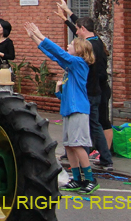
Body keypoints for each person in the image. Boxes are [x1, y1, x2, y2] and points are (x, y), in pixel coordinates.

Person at [23, 22, 98, 195]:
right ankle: (77, 178)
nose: (68, 46)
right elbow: (55, 56)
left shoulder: (79, 63)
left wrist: (41, 35)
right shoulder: (70, 68)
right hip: (69, 110)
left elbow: (59, 53)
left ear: (79, 50)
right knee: (70, 145)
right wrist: (35, 39)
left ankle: (90, 178)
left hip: (79, 110)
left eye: (71, 45)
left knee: (78, 145)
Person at [55, 0, 114, 171]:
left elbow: (80, 45)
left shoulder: (91, 47)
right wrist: (67, 16)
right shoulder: (94, 41)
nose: (73, 41)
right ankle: (78, 152)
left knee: (95, 124)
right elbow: (79, 29)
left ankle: (104, 158)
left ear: (83, 30)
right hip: (92, 90)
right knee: (88, 124)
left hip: (93, 90)